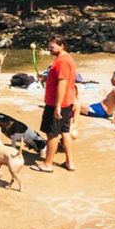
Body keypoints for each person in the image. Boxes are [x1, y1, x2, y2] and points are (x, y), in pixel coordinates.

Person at [35, 36, 76, 172]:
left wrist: (57, 106)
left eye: (52, 47)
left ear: (62, 45)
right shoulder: (67, 58)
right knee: (65, 131)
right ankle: (69, 163)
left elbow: (62, 83)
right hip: (67, 101)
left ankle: (48, 164)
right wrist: (47, 78)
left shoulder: (62, 62)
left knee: (51, 134)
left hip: (57, 103)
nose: (49, 49)